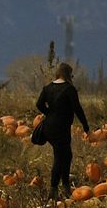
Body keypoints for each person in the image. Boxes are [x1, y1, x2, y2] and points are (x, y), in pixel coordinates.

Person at [34, 63, 92, 199]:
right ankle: (53, 191)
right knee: (60, 157)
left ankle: (65, 185)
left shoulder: (47, 88)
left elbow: (38, 104)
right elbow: (77, 109)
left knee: (67, 155)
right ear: (67, 74)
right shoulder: (69, 89)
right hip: (61, 128)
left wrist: (49, 113)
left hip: (49, 126)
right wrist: (86, 126)